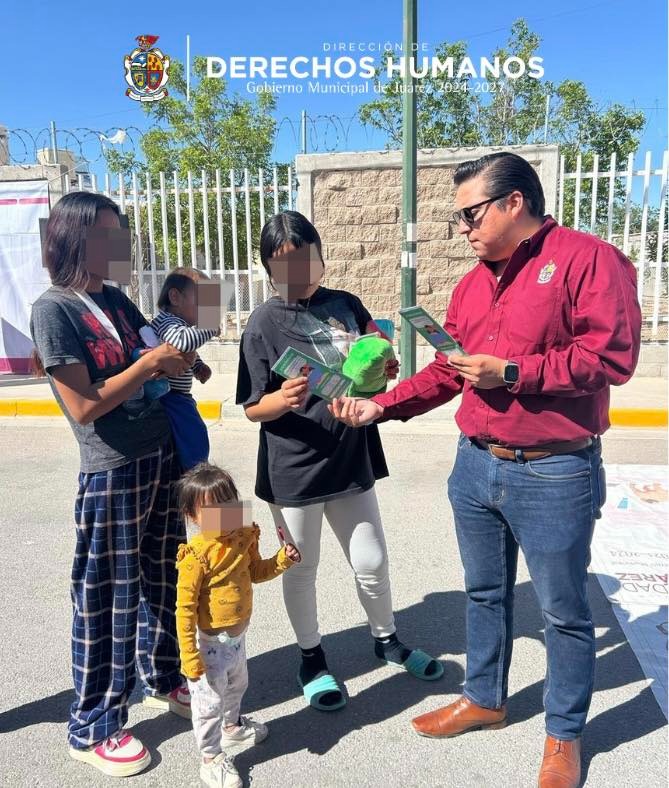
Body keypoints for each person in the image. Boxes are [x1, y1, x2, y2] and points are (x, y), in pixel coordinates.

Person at [330, 152, 641, 787]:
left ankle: (564, 734)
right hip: (475, 466)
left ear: (514, 202)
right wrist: (382, 406)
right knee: (484, 592)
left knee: (563, 611)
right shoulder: (471, 285)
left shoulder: (588, 260)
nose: (463, 228)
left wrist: (515, 372)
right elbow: (449, 370)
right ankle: (485, 698)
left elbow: (611, 356)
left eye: (470, 214)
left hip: (554, 470)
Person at [236, 210, 442, 714]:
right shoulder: (263, 322)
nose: (298, 273)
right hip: (294, 467)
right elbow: (252, 407)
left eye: (306, 259)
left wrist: (385, 368)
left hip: (351, 456)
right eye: (284, 265)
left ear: (320, 256)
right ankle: (312, 659)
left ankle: (387, 640)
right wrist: (281, 399)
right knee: (301, 568)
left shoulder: (345, 304)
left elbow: (374, 359)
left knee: (371, 561)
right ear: (268, 267)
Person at [30, 192, 196, 777]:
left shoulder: (115, 299)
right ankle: (94, 722)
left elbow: (154, 347)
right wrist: (148, 366)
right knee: (107, 594)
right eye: (109, 233)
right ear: (75, 239)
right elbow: (83, 405)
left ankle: (163, 676)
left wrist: (175, 358)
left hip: (160, 454)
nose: (121, 243)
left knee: (164, 575)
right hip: (112, 469)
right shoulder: (55, 310)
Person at [175, 463, 301, 788]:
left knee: (237, 685)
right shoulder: (196, 556)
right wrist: (189, 657)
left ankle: (231, 728)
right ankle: (210, 758)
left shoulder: (244, 537)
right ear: (192, 517)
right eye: (212, 510)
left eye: (229, 504)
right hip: (208, 647)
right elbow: (184, 611)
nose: (225, 515)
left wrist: (282, 560)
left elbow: (256, 572)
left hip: (237, 639)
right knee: (208, 704)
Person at [150, 268, 219, 470]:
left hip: (177, 395)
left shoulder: (176, 323)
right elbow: (183, 342)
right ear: (175, 297)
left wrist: (198, 366)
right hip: (168, 396)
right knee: (194, 434)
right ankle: (194, 472)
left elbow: (185, 351)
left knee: (192, 432)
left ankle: (190, 468)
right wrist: (210, 326)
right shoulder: (166, 322)